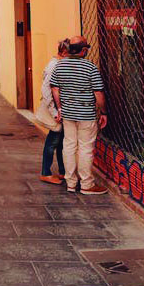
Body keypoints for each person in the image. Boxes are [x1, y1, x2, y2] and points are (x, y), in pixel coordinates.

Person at [50, 35, 108, 195]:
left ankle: (70, 182)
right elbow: (98, 93)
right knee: (85, 148)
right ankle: (86, 184)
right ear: (83, 51)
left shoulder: (60, 66)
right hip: (86, 115)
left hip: (68, 114)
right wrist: (103, 112)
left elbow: (55, 88)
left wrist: (60, 108)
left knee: (69, 146)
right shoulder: (90, 67)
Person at [37, 39, 70, 185]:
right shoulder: (55, 66)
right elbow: (46, 90)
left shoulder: (58, 63)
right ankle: (46, 172)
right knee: (53, 141)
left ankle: (63, 171)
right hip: (56, 111)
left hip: (59, 109)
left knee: (60, 141)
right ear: (63, 52)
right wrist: (55, 112)